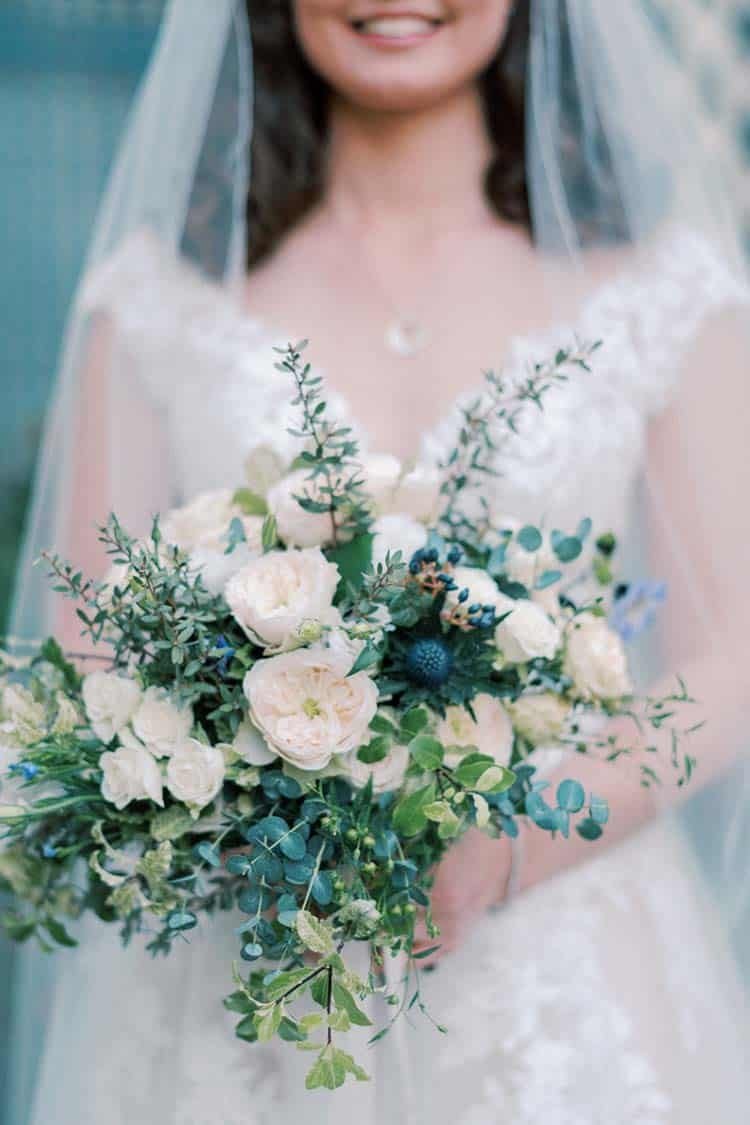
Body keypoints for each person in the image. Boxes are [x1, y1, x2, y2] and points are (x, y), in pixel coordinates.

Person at [5, 2, 749, 1122]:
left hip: (574, 981)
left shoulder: (658, 282)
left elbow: (734, 647)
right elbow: (84, 660)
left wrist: (521, 840)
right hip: (237, 981)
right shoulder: (161, 295)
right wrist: (246, 789)